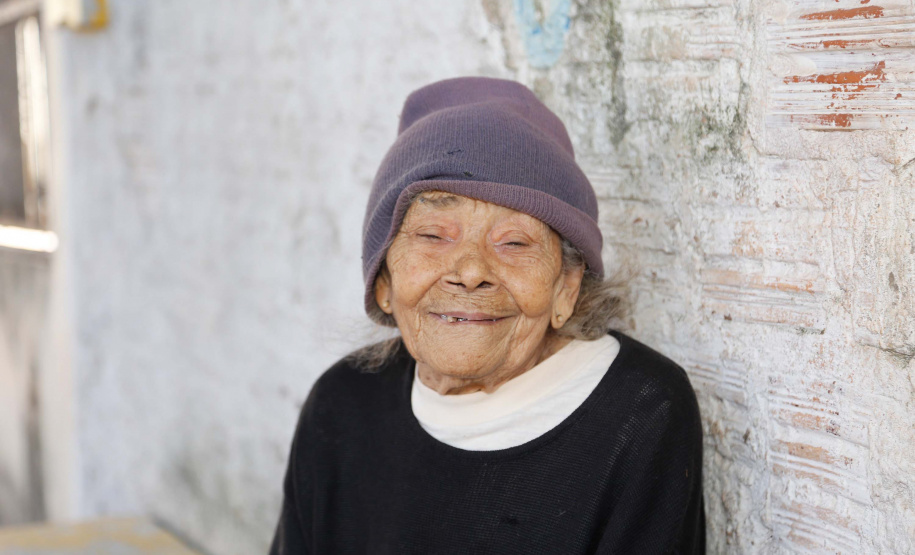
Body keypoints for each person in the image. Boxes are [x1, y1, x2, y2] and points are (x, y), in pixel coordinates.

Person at [269, 77, 705, 554]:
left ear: (567, 286)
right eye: (434, 235)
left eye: (514, 242)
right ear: (384, 281)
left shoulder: (639, 411)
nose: (471, 272)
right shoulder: (343, 403)